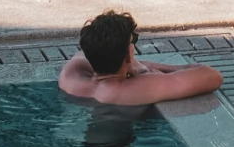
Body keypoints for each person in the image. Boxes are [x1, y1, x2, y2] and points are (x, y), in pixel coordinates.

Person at [58, 10, 223, 106]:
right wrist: (154, 70)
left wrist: (136, 64)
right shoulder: (136, 88)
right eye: (133, 41)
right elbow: (212, 77)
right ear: (129, 53)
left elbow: (85, 55)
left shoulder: (70, 75)